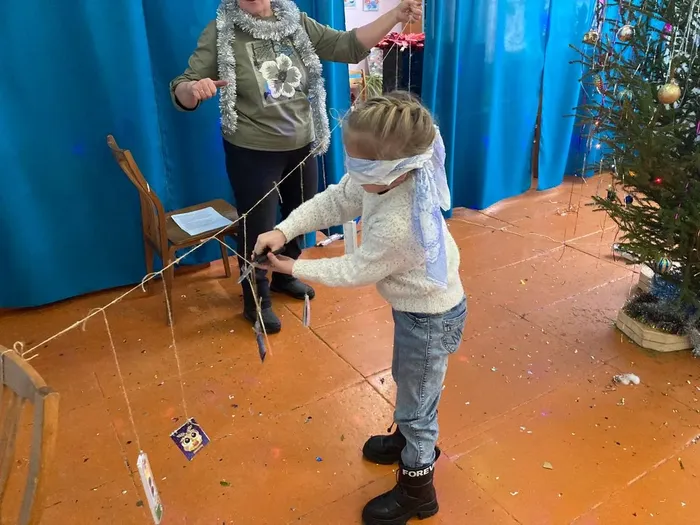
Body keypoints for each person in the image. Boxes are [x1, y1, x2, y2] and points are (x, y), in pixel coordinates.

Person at [253, 92, 467, 525]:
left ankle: (418, 491)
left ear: (392, 168)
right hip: (413, 310)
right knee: (408, 381)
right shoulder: (384, 177)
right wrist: (284, 229)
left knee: (418, 407)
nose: (351, 172)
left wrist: (294, 266)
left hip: (431, 318)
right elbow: (338, 199)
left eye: (358, 165)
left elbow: (356, 268)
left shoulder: (400, 223)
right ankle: (406, 439)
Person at [169, 0, 422, 334]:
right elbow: (181, 90)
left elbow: (346, 46)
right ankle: (256, 297)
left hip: (302, 145)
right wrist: (192, 90)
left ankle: (284, 275)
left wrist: (394, 16)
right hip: (252, 151)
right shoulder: (221, 30)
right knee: (258, 227)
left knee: (299, 218)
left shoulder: (295, 20)